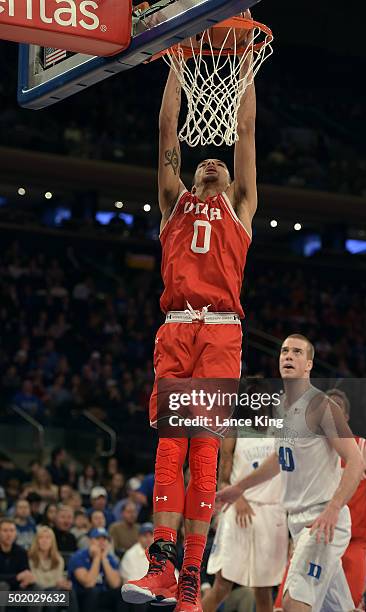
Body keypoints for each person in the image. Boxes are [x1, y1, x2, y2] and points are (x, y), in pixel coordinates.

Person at [122, 51, 257, 612]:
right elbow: (165, 131)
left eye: (218, 163)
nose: (210, 162)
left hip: (221, 332)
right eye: (201, 160)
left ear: (229, 179)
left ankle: (189, 583)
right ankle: (161, 564)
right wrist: (175, 63)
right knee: (168, 448)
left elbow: (244, 129)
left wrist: (247, 72)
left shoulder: (242, 207)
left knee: (204, 456)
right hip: (177, 329)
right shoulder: (173, 203)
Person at [217, 334, 365, 612]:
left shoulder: (321, 406)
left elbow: (355, 460)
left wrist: (334, 507)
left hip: (322, 522)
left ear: (309, 364)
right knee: (340, 608)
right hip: (298, 523)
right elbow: (279, 460)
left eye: (297, 352)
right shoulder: (281, 406)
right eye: (285, 351)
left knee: (293, 602)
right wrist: (239, 488)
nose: (288, 356)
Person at [274, 388, 366, 610]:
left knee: (345, 605)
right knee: (288, 604)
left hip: (354, 541)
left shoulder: (365, 449)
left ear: (344, 417)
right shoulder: (309, 447)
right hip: (316, 532)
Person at [202, 436, 287, 612]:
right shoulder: (234, 430)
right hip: (237, 508)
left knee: (264, 590)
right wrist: (238, 497)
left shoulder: (282, 426)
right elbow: (223, 479)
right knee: (222, 586)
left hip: (271, 511)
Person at [68, 527, 121, 612]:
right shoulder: (78, 557)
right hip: (81, 595)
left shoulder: (109, 558)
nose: (102, 542)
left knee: (121, 592)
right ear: (90, 541)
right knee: (93, 591)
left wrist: (103, 559)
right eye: (98, 539)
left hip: (102, 594)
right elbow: (88, 583)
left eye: (104, 539)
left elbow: (115, 584)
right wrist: (96, 558)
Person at [28, 526, 78, 611]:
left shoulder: (58, 559)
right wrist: (56, 583)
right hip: (37, 592)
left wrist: (63, 584)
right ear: (37, 541)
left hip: (54, 591)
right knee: (52, 593)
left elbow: (58, 578)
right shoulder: (31, 558)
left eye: (48, 538)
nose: (44, 541)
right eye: (41, 538)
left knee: (70, 591)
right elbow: (35, 580)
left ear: (52, 541)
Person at [0, 517, 35, 592]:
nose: (9, 534)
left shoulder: (21, 552)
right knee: (3, 586)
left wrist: (27, 579)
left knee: (36, 587)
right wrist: (16, 577)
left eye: (12, 531)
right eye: (5, 531)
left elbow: (26, 572)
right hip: (3, 586)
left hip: (17, 587)